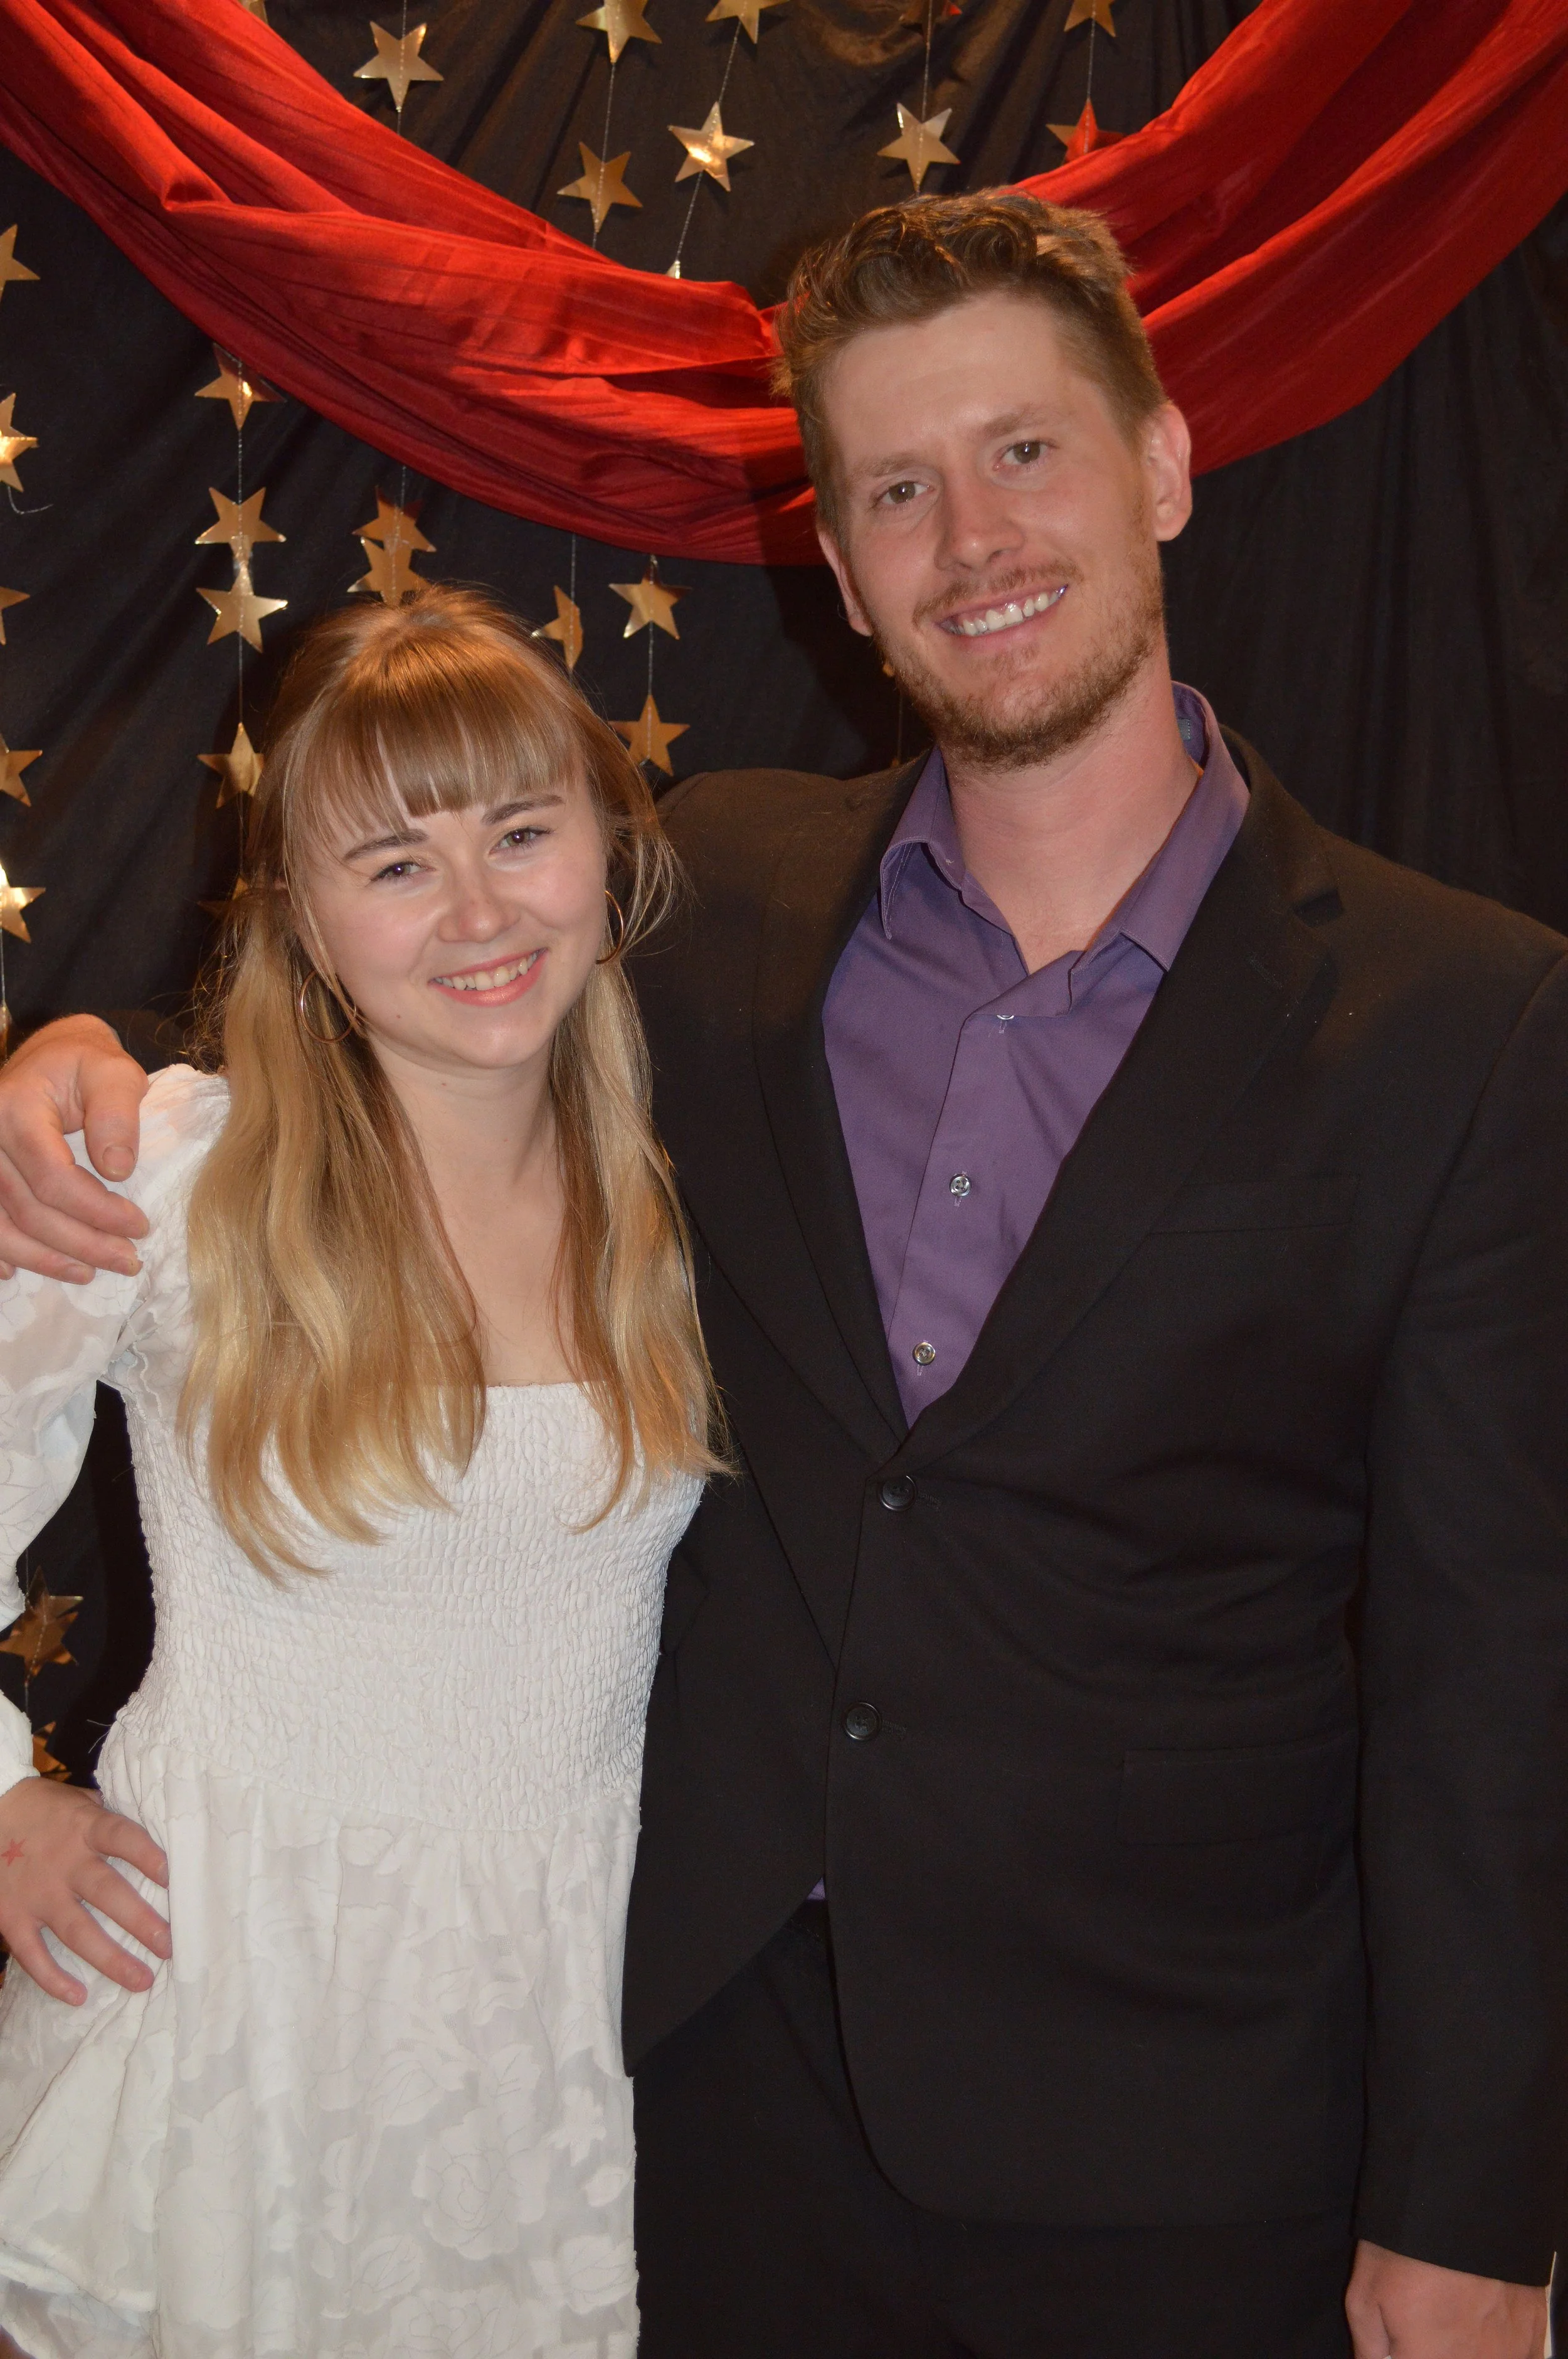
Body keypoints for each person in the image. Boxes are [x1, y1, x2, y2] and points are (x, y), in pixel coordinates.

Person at [0, 192, 1564, 2359]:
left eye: (1026, 452)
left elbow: (1501, 1679)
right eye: (895, 490)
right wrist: (71, 1069)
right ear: (834, 565)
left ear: (1167, 462)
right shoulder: (708, 893)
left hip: (1171, 2153)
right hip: (677, 2103)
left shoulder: (1462, 1020)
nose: (970, 537)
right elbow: (406, 1018)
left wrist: (1474, 2206)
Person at [0, 587, 718, 2356]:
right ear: (305, 922)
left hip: (553, 2029)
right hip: (227, 2016)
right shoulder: (171, 1172)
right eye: (393, 862)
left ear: (604, 855)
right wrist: (1, 1805)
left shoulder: (689, 1203)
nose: (476, 912)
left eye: (521, 832)